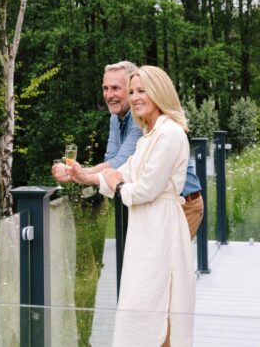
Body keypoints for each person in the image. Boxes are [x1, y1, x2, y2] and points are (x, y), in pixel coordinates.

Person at [65, 66, 195, 346]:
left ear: (159, 92)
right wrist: (83, 175)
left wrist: (118, 185)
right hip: (145, 227)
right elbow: (124, 170)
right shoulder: (149, 135)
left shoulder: (170, 134)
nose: (135, 97)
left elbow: (145, 188)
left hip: (162, 227)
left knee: (159, 302)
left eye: (142, 90)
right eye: (133, 91)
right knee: (140, 303)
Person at [52, 60, 204, 239]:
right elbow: (113, 160)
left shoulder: (145, 119)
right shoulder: (115, 118)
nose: (109, 95)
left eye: (116, 88)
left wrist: (81, 174)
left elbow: (120, 164)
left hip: (181, 204)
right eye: (105, 88)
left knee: (167, 264)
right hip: (153, 206)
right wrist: (80, 173)